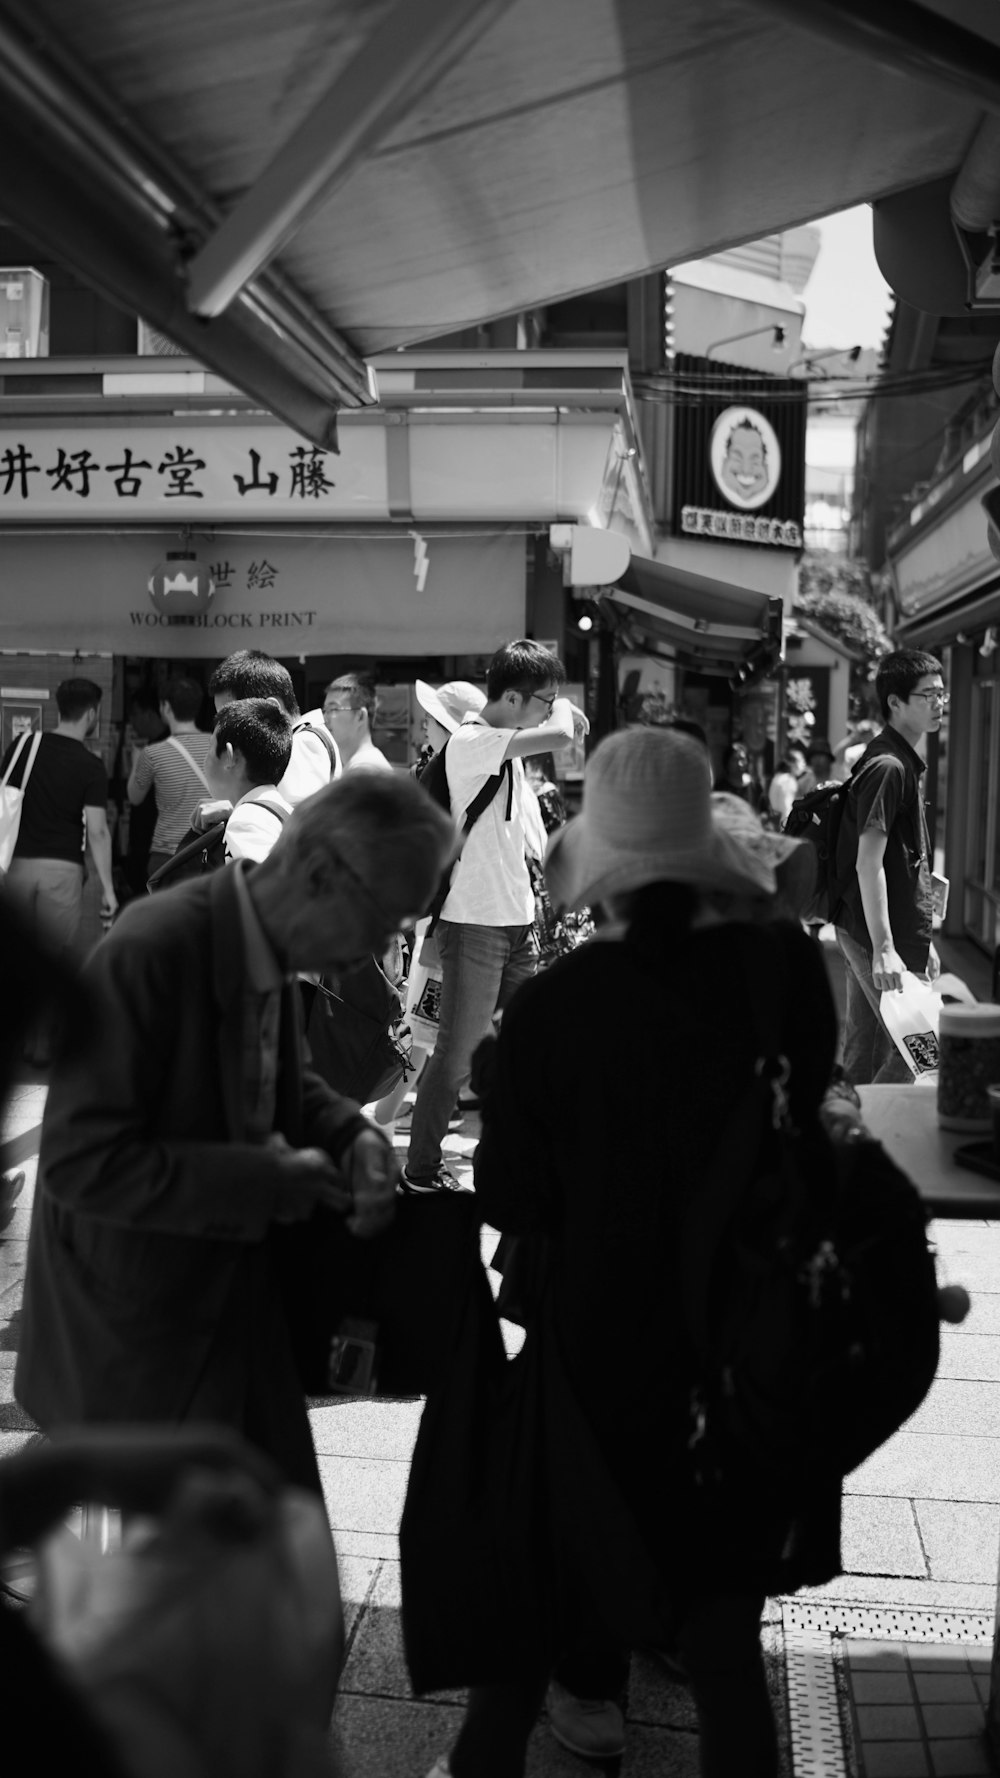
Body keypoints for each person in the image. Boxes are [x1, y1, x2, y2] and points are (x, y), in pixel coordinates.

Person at [421, 728, 839, 1778]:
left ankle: (592, 1695)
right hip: (747, 1330)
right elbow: (812, 1113)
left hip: (596, 1338)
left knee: (551, 1581)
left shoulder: (553, 1008)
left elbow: (512, 1194)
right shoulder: (784, 966)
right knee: (726, 1649)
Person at [14, 774, 456, 1491]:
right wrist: (263, 1181)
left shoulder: (267, 949)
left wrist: (350, 1134)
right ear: (319, 873)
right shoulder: (156, 949)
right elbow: (80, 1164)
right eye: (384, 923)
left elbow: (285, 1081)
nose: (377, 952)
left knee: (274, 1553)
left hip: (220, 1313)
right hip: (134, 1340)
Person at [401, 640, 588, 1196]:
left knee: (525, 1046)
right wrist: (563, 711)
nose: (552, 706)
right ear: (511, 697)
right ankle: (420, 1171)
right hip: (475, 923)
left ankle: (505, 1156)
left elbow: (556, 729)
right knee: (456, 1055)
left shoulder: (502, 746)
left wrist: (556, 705)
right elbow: (560, 732)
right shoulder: (474, 741)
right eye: (543, 698)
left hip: (515, 921)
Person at [372, 679, 486, 1139]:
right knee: (424, 1023)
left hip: (442, 917)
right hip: (443, 916)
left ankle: (383, 1115)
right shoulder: (439, 769)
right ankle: (384, 1114)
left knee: (424, 1023)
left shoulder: (443, 772)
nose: (423, 726)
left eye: (432, 720)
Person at [834, 650, 944, 1086]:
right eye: (928, 695)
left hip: (870, 929)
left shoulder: (896, 760)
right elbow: (869, 862)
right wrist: (885, 948)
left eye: (942, 693)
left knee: (865, 1046)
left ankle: (847, 1139)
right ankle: (871, 1137)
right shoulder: (888, 766)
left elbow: (904, 863)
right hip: (874, 935)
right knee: (913, 1050)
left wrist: (921, 940)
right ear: (895, 702)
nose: (939, 703)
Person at [1, 677, 117, 963]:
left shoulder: (23, 746)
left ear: (60, 709)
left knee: (13, 953)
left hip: (16, 866)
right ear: (92, 713)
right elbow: (98, 832)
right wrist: (108, 889)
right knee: (51, 959)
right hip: (62, 871)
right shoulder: (91, 766)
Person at [208, 647, 340, 801]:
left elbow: (291, 818)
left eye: (232, 716)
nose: (224, 728)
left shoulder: (301, 744)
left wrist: (233, 811)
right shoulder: (305, 738)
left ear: (273, 709)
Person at [126, 677, 215, 879]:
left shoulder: (152, 753)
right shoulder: (215, 744)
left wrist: (134, 762)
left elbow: (134, 797)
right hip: (207, 850)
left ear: (165, 707)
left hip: (167, 855)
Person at [202, 697, 294, 864]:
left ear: (230, 757)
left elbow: (263, 886)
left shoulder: (247, 819)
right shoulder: (282, 809)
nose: (205, 758)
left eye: (210, 747)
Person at [323, 672, 394, 773]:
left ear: (360, 716)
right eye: (325, 710)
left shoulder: (365, 770)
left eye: (334, 709)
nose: (325, 718)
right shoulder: (361, 765)